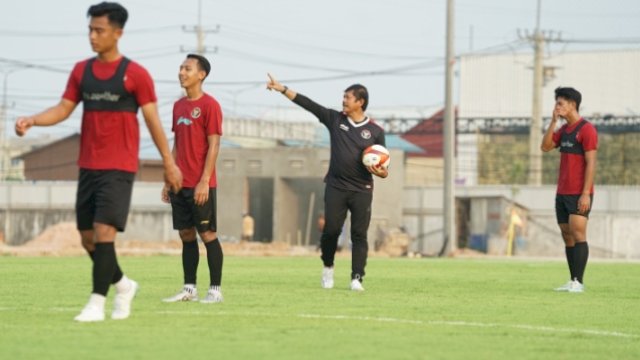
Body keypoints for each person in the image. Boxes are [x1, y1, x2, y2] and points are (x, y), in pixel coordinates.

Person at [14, 2, 182, 321]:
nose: (92, 36)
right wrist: (32, 120)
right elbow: (64, 108)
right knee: (87, 238)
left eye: (99, 30)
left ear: (118, 33)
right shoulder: (82, 71)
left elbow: (153, 122)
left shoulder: (136, 75)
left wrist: (168, 163)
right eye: (90, 29)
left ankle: (96, 303)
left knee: (105, 231)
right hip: (88, 165)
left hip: (119, 167)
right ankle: (123, 284)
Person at [266, 74, 388, 291]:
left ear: (360, 102)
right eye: (343, 97)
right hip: (336, 187)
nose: (343, 101)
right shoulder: (335, 119)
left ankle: (356, 278)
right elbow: (309, 104)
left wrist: (379, 170)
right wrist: (283, 89)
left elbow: (383, 167)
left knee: (359, 234)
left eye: (348, 98)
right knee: (331, 230)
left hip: (362, 190)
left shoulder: (377, 132)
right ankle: (328, 268)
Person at [161, 54, 224, 303]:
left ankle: (215, 290)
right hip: (180, 184)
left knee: (207, 235)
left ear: (201, 75)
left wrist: (204, 180)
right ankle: (189, 289)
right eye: (180, 68)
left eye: (187, 68)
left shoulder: (210, 105)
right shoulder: (178, 106)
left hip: (201, 185)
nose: (181, 72)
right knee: (186, 235)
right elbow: (177, 144)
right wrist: (169, 177)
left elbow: (214, 144)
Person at [541, 87, 597, 293]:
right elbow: (545, 147)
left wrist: (585, 193)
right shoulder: (563, 130)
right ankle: (572, 279)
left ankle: (579, 282)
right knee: (567, 235)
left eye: (560, 103)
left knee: (578, 233)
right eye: (556, 103)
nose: (557, 107)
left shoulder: (587, 129)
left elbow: (591, 163)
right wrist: (553, 121)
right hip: (562, 192)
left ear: (572, 104)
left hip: (579, 192)